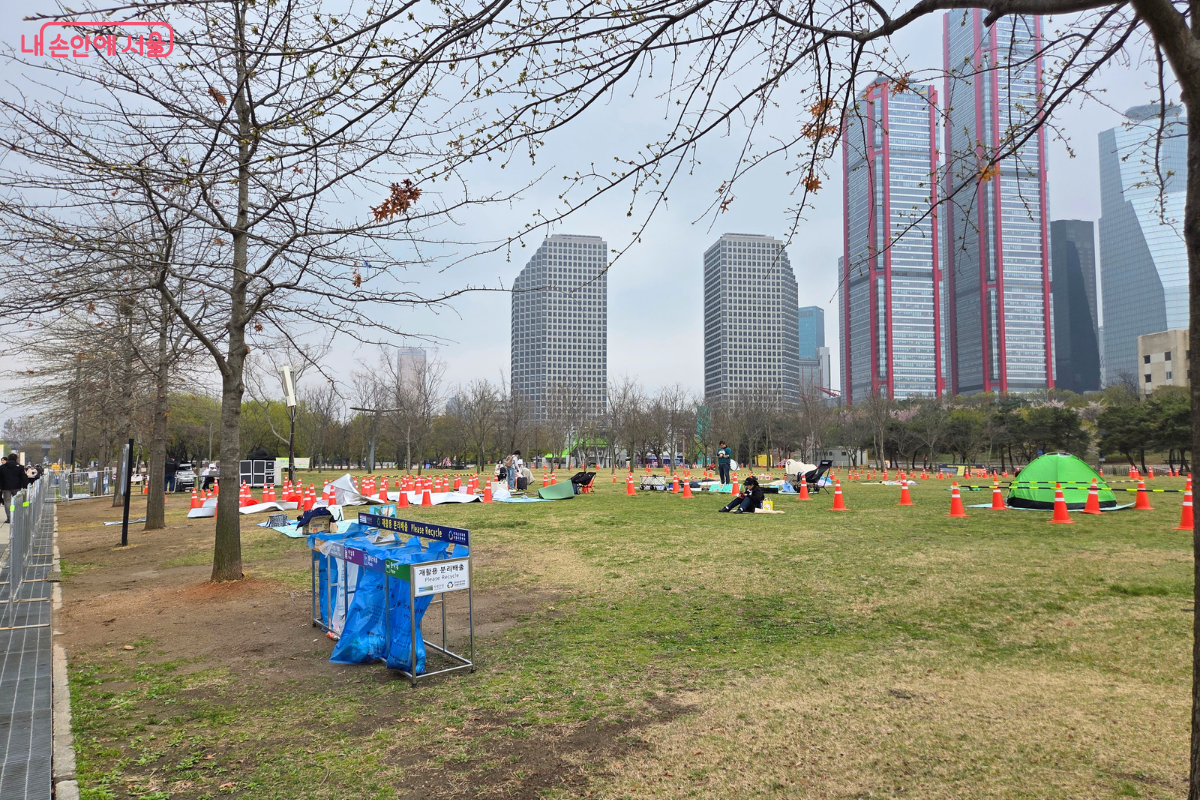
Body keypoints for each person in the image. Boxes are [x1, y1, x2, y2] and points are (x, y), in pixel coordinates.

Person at [0, 453, 30, 524]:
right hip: (17, 487)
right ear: (16, 459)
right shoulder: (20, 467)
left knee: (7, 502)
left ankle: (9, 517)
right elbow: (23, 477)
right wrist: (25, 486)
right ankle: (17, 516)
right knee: (17, 501)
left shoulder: (2, 467)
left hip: (6, 487)